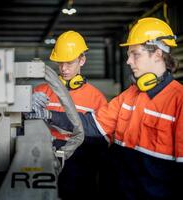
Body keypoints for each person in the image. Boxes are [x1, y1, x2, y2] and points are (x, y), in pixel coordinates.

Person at [30, 17, 183, 199]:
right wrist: (47, 114)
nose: (128, 61)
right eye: (128, 55)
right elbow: (90, 125)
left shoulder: (178, 101)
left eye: (135, 54)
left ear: (158, 54)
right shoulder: (129, 95)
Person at [28, 30, 108, 199]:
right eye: (60, 63)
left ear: (82, 60)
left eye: (69, 63)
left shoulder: (96, 98)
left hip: (79, 165)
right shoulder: (42, 91)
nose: (63, 69)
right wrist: (26, 105)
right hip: (43, 158)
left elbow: (102, 142)